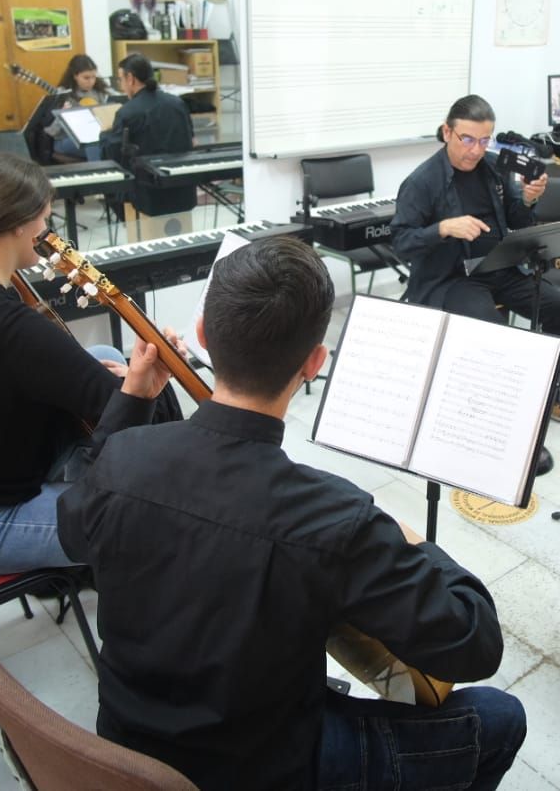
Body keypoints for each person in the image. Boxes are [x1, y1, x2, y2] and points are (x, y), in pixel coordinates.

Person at [57, 236, 526, 790]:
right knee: (499, 717)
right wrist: (415, 544)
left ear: (204, 335)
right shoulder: (333, 518)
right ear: (313, 362)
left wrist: (132, 399)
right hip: (261, 768)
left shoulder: (122, 458)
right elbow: (476, 643)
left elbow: (71, 529)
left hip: (127, 749)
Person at [0, 152, 180, 577]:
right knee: (146, 518)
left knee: (102, 357)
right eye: (44, 220)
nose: (47, 233)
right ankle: (105, 541)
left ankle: (81, 508)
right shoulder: (7, 326)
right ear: (17, 225)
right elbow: (122, 425)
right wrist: (141, 385)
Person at [390, 95, 560, 476]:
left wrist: (528, 198)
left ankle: (550, 398)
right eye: (467, 139)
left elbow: (515, 217)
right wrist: (443, 228)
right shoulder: (420, 182)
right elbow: (401, 242)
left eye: (484, 140)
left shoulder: (492, 169)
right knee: (497, 340)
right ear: (447, 132)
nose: (475, 150)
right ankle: (500, 431)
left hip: (498, 265)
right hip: (451, 278)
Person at [102, 53, 195, 222]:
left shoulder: (127, 112)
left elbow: (115, 155)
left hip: (148, 194)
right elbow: (191, 140)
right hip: (183, 188)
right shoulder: (178, 103)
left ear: (130, 78)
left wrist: (105, 135)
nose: (122, 86)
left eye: (121, 79)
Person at [42, 54, 116, 162]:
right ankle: (99, 173)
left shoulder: (98, 92)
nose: (91, 81)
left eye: (94, 77)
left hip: (96, 136)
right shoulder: (62, 93)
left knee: (104, 142)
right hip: (65, 140)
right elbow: (53, 132)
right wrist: (62, 115)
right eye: (86, 78)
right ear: (75, 76)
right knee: (92, 143)